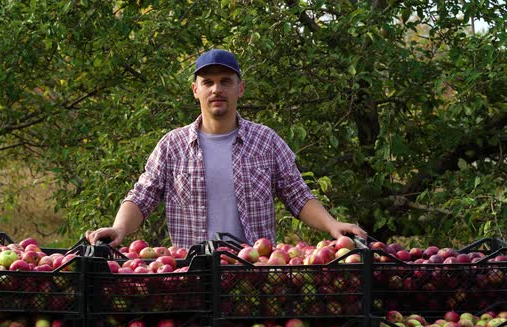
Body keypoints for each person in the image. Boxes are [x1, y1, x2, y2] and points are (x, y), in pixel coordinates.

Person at [86, 49, 367, 249]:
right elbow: (142, 196)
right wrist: (120, 228)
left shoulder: (266, 141)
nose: (216, 89)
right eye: (207, 82)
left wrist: (331, 225)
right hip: (192, 273)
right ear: (195, 90)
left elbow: (297, 194)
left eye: (225, 82)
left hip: (255, 268)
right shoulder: (172, 146)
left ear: (240, 88)